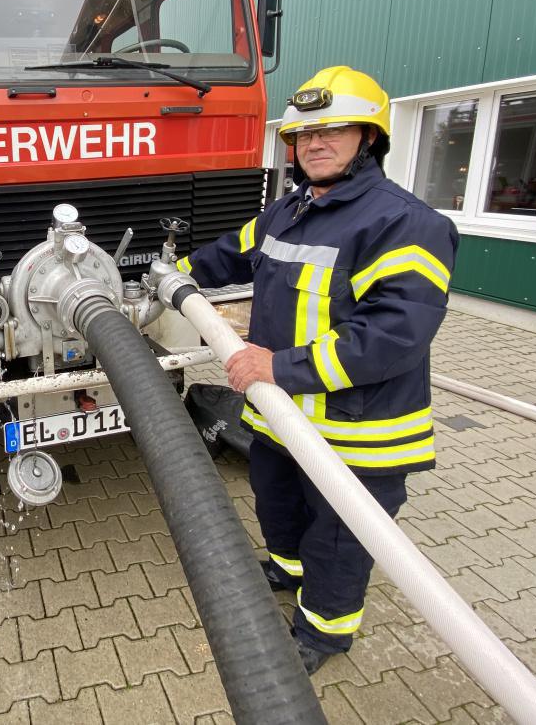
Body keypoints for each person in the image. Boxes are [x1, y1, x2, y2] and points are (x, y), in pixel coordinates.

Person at [176, 66, 458, 674]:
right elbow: (233, 253)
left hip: (359, 432)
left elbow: (394, 335)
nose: (314, 144)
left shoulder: (405, 223)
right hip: (282, 418)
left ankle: (322, 634)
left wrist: (281, 365)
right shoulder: (291, 210)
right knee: (277, 506)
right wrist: (175, 274)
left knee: (338, 541)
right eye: (303, 135)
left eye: (332, 131)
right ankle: (286, 570)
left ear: (369, 140)